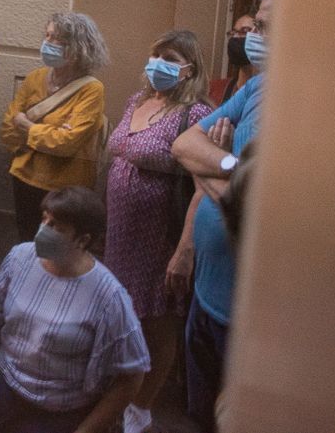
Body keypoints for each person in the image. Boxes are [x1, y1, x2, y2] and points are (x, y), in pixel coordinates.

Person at [0, 186, 150, 433]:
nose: (44, 230)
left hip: (60, 405)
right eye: (44, 219)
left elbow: (132, 375)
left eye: (56, 226)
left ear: (83, 240)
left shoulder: (110, 297)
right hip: (5, 379)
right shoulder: (19, 258)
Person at [170, 0, 272, 433]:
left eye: (268, 27)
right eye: (258, 25)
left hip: (251, 323)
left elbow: (267, 206)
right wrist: (234, 167)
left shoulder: (316, 106)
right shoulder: (257, 88)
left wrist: (207, 169)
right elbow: (185, 146)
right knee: (196, 417)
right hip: (205, 299)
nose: (256, 37)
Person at [103, 30, 213, 433]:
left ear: (189, 69)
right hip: (120, 232)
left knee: (158, 317)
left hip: (158, 235)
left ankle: (142, 407)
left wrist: (184, 248)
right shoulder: (137, 100)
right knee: (122, 311)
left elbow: (204, 185)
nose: (158, 64)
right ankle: (120, 390)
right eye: (155, 55)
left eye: (169, 57)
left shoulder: (197, 115)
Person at [0, 12, 109, 240]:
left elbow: (66, 143)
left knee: (57, 244)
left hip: (65, 189)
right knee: (27, 240)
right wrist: (47, 133)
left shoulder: (92, 90)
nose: (46, 43)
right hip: (24, 176)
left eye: (56, 39)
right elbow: (9, 129)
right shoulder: (35, 78)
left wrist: (28, 128)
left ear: (78, 47)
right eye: (47, 35)